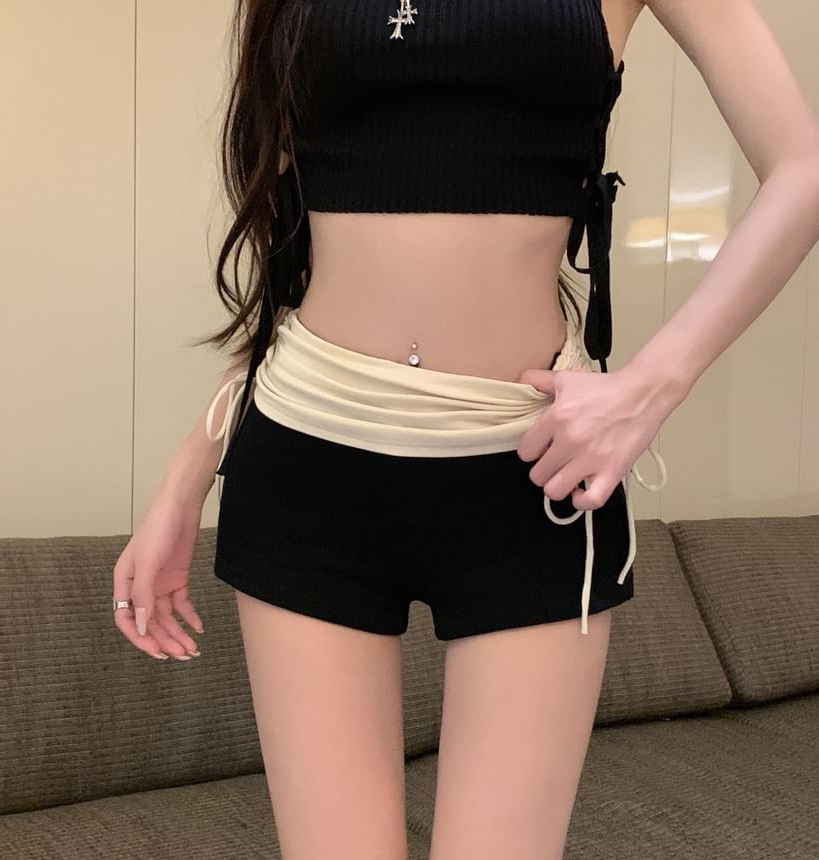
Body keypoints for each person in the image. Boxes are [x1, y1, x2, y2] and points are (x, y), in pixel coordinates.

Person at [112, 0, 819, 857]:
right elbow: (286, 255)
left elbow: (803, 167)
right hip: (306, 460)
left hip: (531, 477)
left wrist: (650, 388)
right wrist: (185, 481)